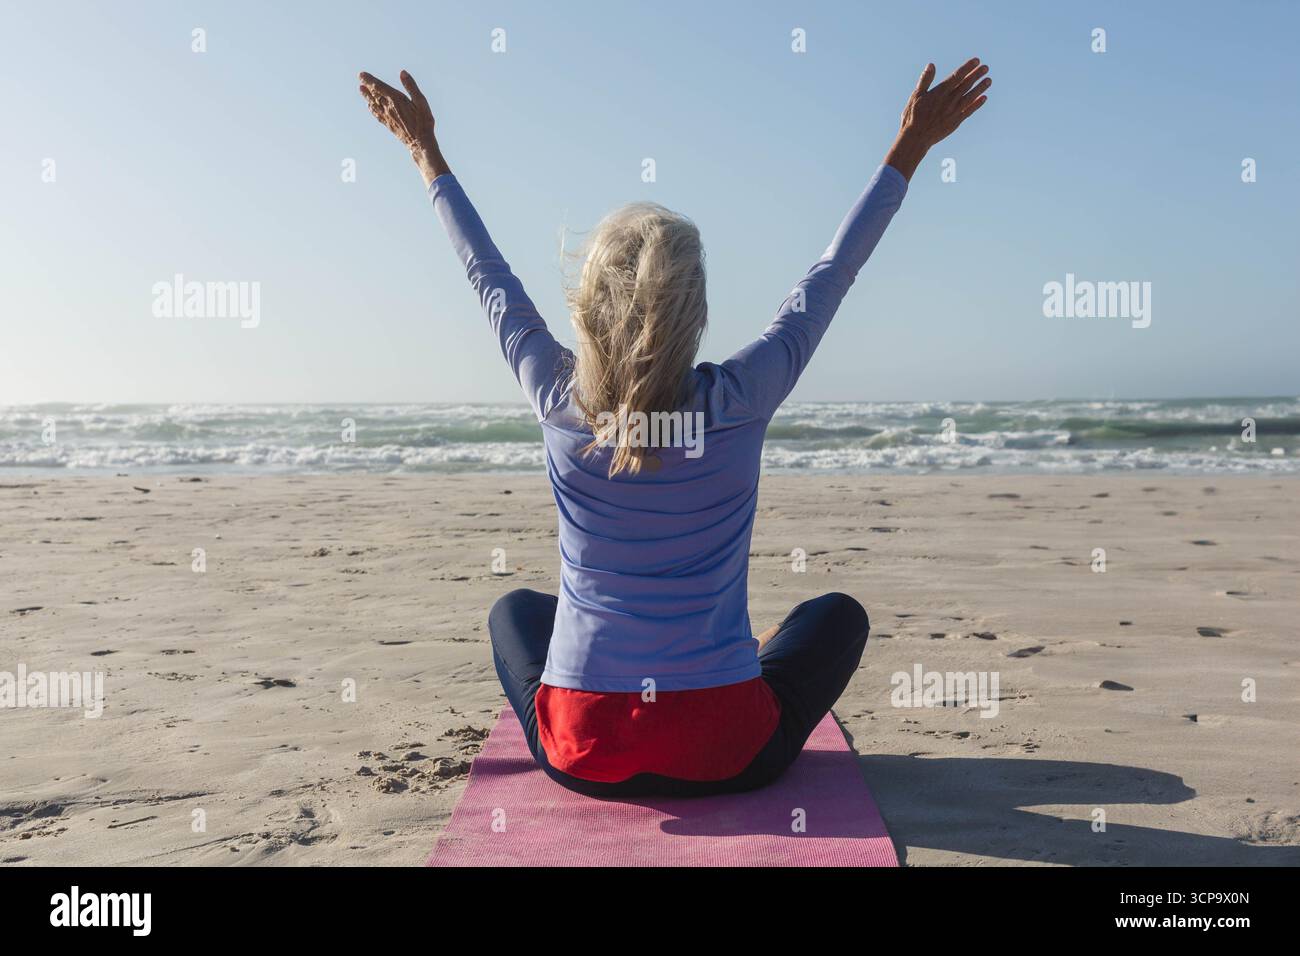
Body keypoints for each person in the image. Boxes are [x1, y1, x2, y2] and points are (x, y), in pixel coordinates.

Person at [359, 58, 991, 797]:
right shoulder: (743, 398)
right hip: (727, 751)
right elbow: (831, 275)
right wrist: (909, 147)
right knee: (837, 618)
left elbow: (486, 274)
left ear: (588, 303)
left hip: (583, 753)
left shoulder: (556, 394)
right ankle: (722, 659)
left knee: (515, 611)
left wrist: (424, 150)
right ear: (695, 310)